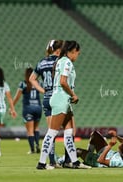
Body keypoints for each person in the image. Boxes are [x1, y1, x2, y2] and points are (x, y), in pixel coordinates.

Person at [36, 40, 91, 169]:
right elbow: (63, 82)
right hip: (61, 98)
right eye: (77, 53)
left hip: (62, 98)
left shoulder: (59, 61)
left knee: (69, 131)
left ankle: (75, 162)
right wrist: (73, 94)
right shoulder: (66, 62)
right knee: (52, 132)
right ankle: (41, 163)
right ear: (72, 52)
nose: (78, 56)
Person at [29, 40, 63, 167]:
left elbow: (31, 79)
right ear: (59, 50)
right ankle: (68, 160)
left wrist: (42, 90)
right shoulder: (60, 61)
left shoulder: (42, 62)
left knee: (51, 131)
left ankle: (52, 160)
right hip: (58, 97)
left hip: (47, 97)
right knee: (68, 130)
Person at [13, 67, 42, 154]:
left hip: (28, 108)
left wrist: (12, 107)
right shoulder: (38, 83)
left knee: (30, 130)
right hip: (38, 108)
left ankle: (32, 149)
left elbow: (17, 97)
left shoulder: (23, 84)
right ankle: (37, 144)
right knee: (36, 128)